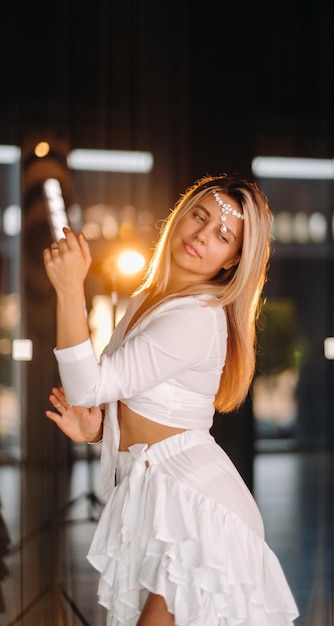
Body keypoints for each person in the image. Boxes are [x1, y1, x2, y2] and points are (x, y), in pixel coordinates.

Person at [43, 174, 299, 626]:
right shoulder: (150, 299)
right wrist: (100, 430)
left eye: (222, 235)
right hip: (159, 500)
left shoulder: (196, 316)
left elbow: (89, 387)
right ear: (179, 215)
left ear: (233, 259)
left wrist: (68, 290)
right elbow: (138, 400)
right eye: (199, 216)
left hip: (198, 509)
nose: (202, 235)